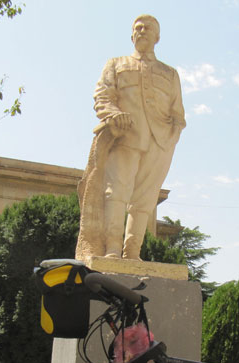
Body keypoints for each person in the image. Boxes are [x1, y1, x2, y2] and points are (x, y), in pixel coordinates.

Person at [75, 14, 186, 261]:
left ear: (157, 37)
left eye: (148, 28)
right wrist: (114, 115)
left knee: (145, 200)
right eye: (138, 28)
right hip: (125, 137)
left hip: (160, 143)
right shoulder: (116, 64)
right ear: (132, 35)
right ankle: (113, 248)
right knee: (116, 192)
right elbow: (102, 97)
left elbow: (178, 114)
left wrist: (172, 137)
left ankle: (132, 252)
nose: (142, 31)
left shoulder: (170, 74)